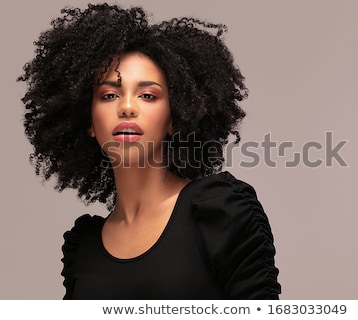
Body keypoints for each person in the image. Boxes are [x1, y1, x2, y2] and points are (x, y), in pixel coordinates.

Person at [18, 3, 281, 299]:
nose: (127, 107)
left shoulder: (221, 212)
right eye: (109, 95)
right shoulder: (84, 248)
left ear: (174, 118)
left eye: (147, 95)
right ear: (88, 120)